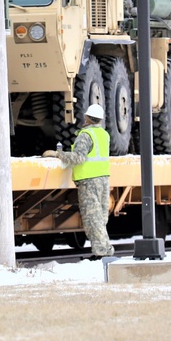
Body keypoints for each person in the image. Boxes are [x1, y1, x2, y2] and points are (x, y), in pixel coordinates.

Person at [43, 103, 115, 259]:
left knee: (92, 219)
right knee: (101, 217)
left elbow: (78, 158)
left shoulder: (86, 135)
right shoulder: (104, 134)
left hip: (89, 182)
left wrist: (58, 154)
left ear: (87, 118)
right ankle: (105, 250)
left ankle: (102, 252)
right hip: (103, 179)